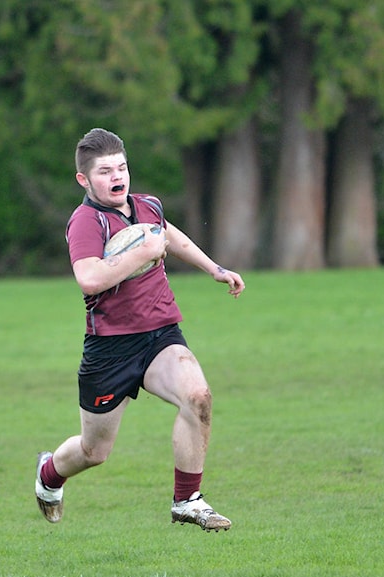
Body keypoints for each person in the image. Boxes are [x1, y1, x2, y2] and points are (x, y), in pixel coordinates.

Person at [34, 128, 245, 532]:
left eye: (122, 167)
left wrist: (214, 269)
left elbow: (168, 234)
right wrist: (141, 252)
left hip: (160, 332)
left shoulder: (147, 205)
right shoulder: (85, 222)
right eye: (105, 171)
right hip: (110, 348)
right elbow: (89, 279)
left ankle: (187, 500)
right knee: (94, 451)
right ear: (84, 180)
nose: (117, 176)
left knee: (198, 397)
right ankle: (49, 473)